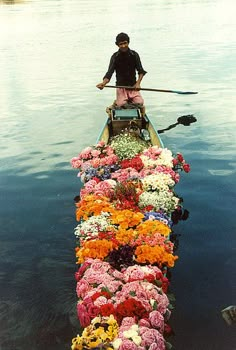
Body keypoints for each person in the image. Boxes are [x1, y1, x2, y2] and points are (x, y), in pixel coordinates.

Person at [96, 32, 147, 108]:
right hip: (121, 88)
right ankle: (118, 101)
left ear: (128, 42)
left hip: (133, 87)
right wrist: (103, 83)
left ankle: (128, 101)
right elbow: (109, 73)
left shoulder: (134, 55)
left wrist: (138, 83)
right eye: (121, 44)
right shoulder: (115, 57)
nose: (123, 46)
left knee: (140, 103)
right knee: (122, 105)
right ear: (117, 45)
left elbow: (141, 71)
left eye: (125, 43)